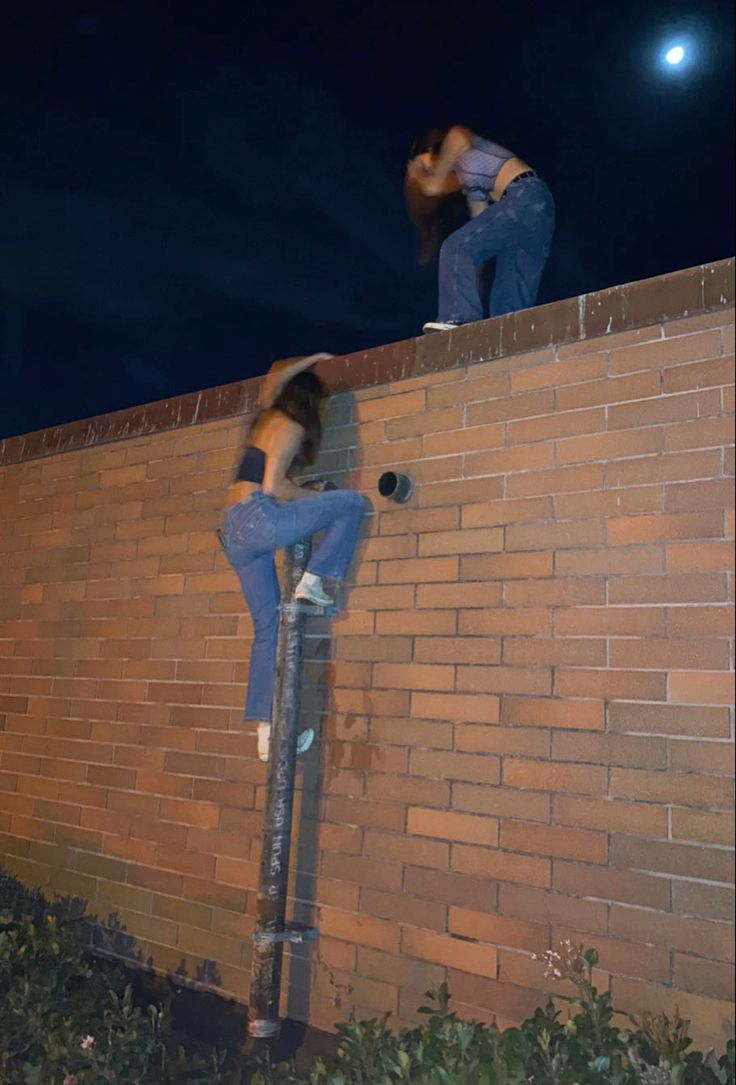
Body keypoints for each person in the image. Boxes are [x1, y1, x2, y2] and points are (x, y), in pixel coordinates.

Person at [220, 353, 367, 762]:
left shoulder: (266, 416)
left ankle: (270, 733)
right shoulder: (290, 426)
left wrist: (313, 359)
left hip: (233, 531)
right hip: (257, 517)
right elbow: (275, 489)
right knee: (352, 504)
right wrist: (318, 499)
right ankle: (314, 580)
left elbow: (273, 372)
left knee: (269, 628)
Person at [405, 125, 555, 332]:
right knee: (508, 299)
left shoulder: (457, 141)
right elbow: (481, 224)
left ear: (432, 153)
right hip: (536, 210)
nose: (429, 172)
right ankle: (512, 340)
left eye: (427, 167)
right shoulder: (472, 184)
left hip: (525, 196)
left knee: (455, 246)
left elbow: (454, 144)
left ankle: (458, 319)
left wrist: (422, 174)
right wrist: (475, 275)